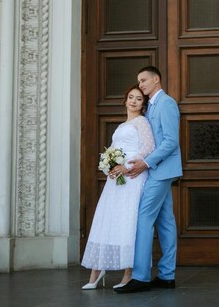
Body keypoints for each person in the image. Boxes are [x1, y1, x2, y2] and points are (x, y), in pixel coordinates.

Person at [115, 66, 183, 293]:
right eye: (139, 81)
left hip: (161, 170)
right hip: (156, 170)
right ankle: (166, 276)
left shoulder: (166, 103)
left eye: (143, 80)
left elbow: (171, 141)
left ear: (156, 80)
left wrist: (146, 163)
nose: (141, 85)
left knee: (143, 218)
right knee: (165, 222)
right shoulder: (151, 107)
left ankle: (141, 276)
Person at [81, 85, 155, 290]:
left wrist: (127, 165)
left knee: (128, 221)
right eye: (130, 97)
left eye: (138, 99)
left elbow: (149, 147)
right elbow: (112, 150)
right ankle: (97, 270)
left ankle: (128, 273)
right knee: (108, 219)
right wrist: (110, 167)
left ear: (143, 104)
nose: (133, 101)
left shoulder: (142, 122)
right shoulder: (121, 126)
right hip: (116, 179)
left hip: (133, 175)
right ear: (125, 100)